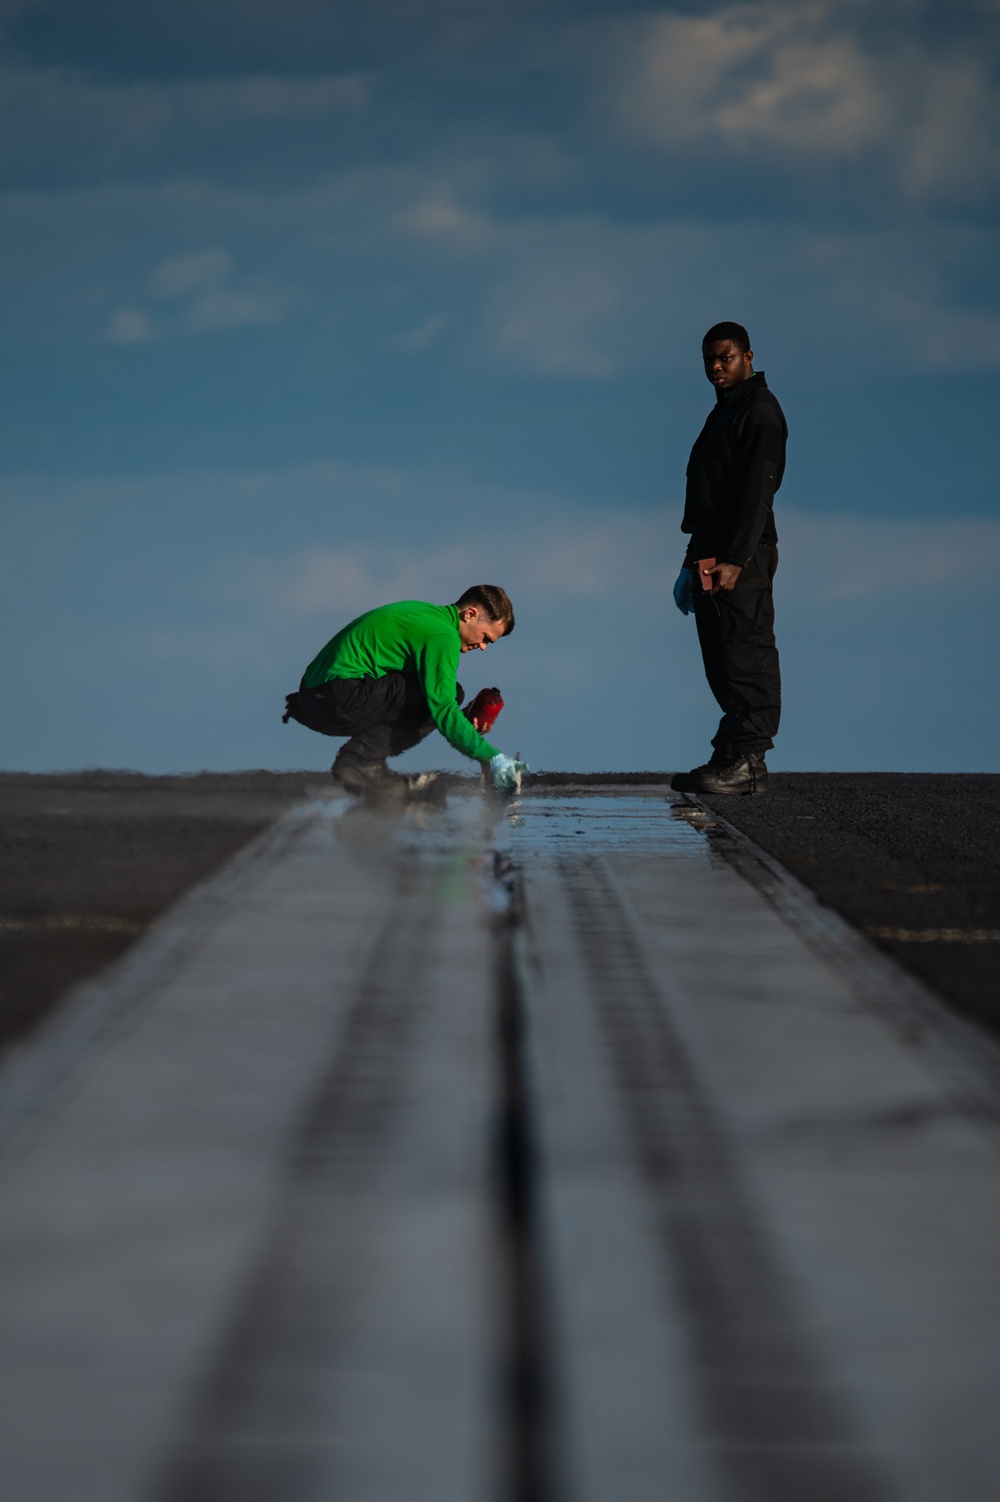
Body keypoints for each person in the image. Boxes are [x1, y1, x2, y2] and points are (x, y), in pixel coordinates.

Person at [671, 322, 786, 796]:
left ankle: (750, 761)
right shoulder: (726, 411)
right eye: (709, 361)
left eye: (725, 358)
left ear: (748, 357)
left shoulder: (759, 411)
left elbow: (757, 491)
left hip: (743, 557)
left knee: (745, 652)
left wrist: (737, 559)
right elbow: (711, 496)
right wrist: (689, 561)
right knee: (719, 658)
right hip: (711, 555)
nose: (716, 367)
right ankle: (731, 752)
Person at [282, 584, 525, 798]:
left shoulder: (425, 614)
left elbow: (432, 705)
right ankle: (360, 762)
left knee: (446, 695)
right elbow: (441, 706)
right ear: (470, 613)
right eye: (486, 638)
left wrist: (462, 723)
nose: (482, 647)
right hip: (337, 696)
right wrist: (491, 759)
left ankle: (370, 775)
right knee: (449, 695)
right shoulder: (443, 635)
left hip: (314, 698)